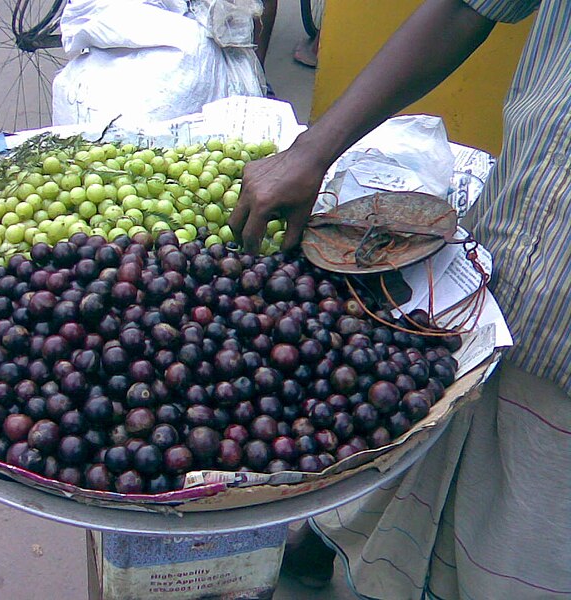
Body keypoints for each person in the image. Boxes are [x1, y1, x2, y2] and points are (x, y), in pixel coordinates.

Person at [229, 0, 571, 598]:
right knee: (410, 442)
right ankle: (328, 547)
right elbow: (466, 7)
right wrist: (313, 150)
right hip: (504, 259)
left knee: (519, 550)